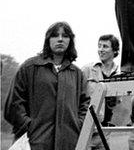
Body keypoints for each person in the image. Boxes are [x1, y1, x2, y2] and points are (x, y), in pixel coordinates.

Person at [4, 21, 90, 150]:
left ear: (70, 41)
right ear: (48, 40)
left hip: (69, 143)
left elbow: (85, 105)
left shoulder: (77, 74)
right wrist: (29, 127)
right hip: (35, 142)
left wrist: (77, 125)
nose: (60, 39)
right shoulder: (29, 68)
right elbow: (13, 105)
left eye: (65, 36)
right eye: (55, 35)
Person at [82, 34, 121, 149]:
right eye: (99, 46)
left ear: (114, 51)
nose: (101, 50)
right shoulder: (88, 70)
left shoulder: (118, 75)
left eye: (105, 46)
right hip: (89, 128)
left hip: (106, 129)